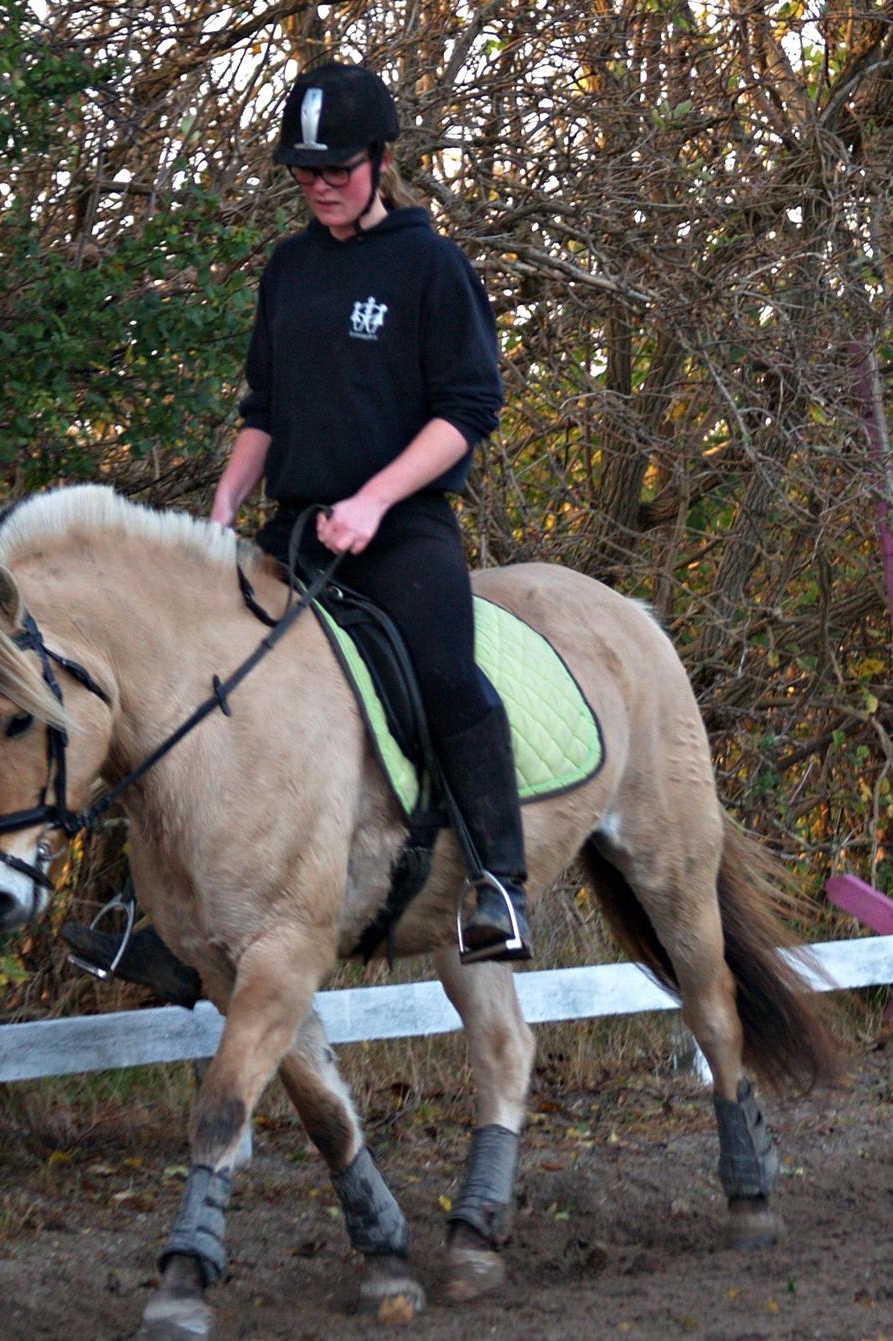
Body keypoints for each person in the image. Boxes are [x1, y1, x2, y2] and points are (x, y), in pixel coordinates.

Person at [209, 62, 532, 965]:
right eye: (305, 171)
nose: (319, 185)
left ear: (382, 160)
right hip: (296, 530)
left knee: (443, 673)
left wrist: (373, 499)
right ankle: (155, 914)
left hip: (401, 531)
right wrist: (225, 504)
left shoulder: (431, 266)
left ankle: (500, 884)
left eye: (337, 169)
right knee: (193, 675)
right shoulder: (288, 268)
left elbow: (468, 410)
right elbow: (263, 410)